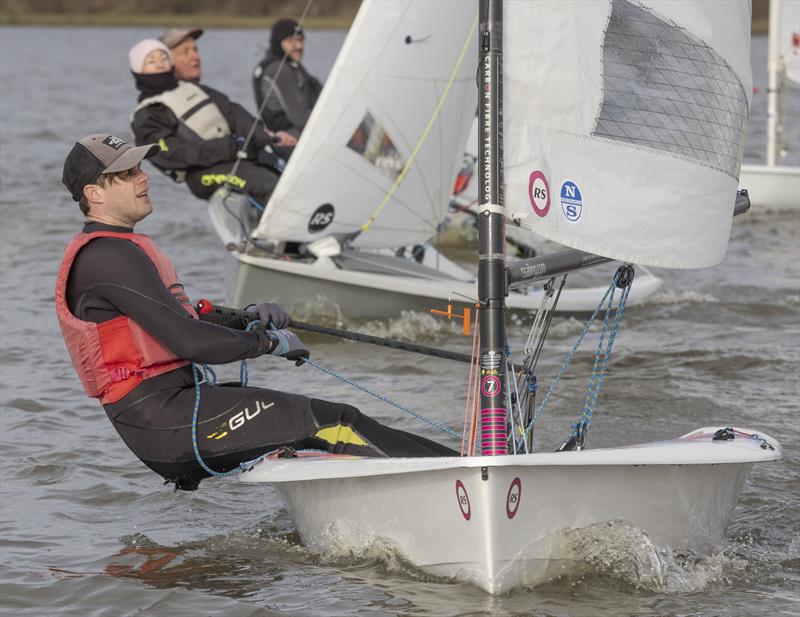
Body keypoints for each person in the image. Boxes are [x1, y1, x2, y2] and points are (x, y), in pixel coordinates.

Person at [55, 133, 458, 491]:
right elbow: (190, 341)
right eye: (127, 174)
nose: (143, 178)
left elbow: (185, 322)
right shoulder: (106, 255)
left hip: (173, 409)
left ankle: (455, 471)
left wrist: (247, 317)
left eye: (140, 168)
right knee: (337, 422)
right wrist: (266, 342)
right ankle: (459, 480)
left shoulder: (118, 248)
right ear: (95, 193)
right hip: (162, 420)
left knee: (326, 422)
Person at [129, 38, 287, 207]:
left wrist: (262, 142)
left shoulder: (195, 89)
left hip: (238, 155)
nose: (159, 64)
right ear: (138, 70)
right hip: (201, 174)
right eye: (151, 61)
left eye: (163, 58)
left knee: (289, 167)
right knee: (267, 184)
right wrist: (229, 148)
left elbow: (235, 114)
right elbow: (174, 152)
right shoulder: (146, 114)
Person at [253, 18, 322, 140]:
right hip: (292, 138)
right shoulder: (279, 70)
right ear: (278, 43)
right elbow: (301, 118)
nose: (299, 46)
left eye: (300, 40)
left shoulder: (290, 64)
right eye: (291, 41)